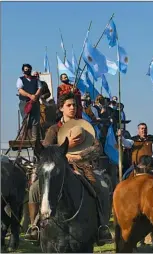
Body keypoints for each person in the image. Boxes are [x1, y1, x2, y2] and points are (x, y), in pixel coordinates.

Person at [25, 93, 112, 245]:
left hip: (84, 167)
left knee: (103, 187)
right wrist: (66, 147)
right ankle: (35, 227)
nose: (73, 108)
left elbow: (97, 148)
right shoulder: (54, 129)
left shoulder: (86, 126)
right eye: (69, 105)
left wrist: (79, 157)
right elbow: (45, 150)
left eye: (75, 105)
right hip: (57, 168)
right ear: (61, 108)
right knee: (33, 190)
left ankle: (102, 227)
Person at [16, 64, 42, 141]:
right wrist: (30, 96)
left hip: (35, 102)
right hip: (25, 102)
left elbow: (39, 88)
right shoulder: (20, 79)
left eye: (28, 69)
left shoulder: (36, 79)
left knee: (35, 120)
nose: (27, 70)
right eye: (25, 69)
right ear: (23, 70)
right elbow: (20, 90)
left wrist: (35, 96)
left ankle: (35, 139)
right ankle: (23, 137)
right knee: (25, 120)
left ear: (31, 70)